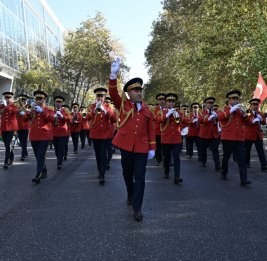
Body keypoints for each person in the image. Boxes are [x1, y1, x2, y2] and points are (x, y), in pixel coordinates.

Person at [109, 57, 155, 222]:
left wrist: (152, 147)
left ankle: (138, 208)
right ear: (129, 93)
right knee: (127, 174)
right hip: (126, 146)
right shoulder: (123, 105)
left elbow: (150, 128)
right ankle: (130, 192)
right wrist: (113, 76)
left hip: (142, 148)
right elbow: (113, 93)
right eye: (136, 91)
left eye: (140, 90)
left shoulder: (147, 108)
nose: (139, 93)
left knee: (140, 177)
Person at [217, 90, 251, 186]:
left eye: (237, 99)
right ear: (229, 100)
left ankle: (243, 179)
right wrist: (231, 110)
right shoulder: (225, 110)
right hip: (228, 138)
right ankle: (224, 172)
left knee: (241, 159)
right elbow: (219, 117)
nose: (236, 100)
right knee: (226, 157)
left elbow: (248, 123)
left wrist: (245, 115)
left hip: (239, 138)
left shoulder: (240, 111)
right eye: (233, 99)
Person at [24, 90, 54, 184]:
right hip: (34, 135)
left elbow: (52, 119)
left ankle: (38, 175)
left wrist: (42, 111)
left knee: (40, 155)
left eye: (40, 98)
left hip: (44, 135)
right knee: (38, 155)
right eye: (37, 98)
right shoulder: (32, 109)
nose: (38, 100)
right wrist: (28, 112)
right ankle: (44, 169)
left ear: (44, 99)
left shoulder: (49, 109)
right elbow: (25, 119)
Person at [87, 89, 116, 184]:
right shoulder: (91, 107)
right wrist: (94, 111)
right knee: (98, 154)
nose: (100, 97)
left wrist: (105, 110)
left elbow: (114, 119)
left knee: (103, 154)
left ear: (104, 97)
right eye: (98, 96)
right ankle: (100, 170)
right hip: (95, 134)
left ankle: (102, 175)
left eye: (102, 96)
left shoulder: (109, 107)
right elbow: (86, 118)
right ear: (96, 96)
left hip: (106, 134)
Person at [156, 93, 187, 183]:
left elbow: (178, 123)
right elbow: (158, 121)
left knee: (176, 157)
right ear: (166, 103)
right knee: (166, 157)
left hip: (176, 138)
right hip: (166, 138)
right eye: (169, 102)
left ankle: (177, 176)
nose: (171, 104)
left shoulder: (177, 112)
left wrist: (176, 116)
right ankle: (166, 171)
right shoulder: (162, 112)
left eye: (173, 102)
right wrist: (167, 115)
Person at [244, 98, 267, 171]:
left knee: (261, 150)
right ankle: (246, 163)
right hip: (249, 134)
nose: (256, 106)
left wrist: (261, 119)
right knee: (247, 150)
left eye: (257, 104)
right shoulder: (247, 113)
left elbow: (264, 123)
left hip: (258, 135)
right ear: (251, 105)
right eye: (254, 104)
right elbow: (245, 122)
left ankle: (264, 165)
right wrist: (252, 121)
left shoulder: (260, 113)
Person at [198, 97, 221, 170]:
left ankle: (217, 165)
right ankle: (203, 161)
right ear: (206, 104)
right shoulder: (201, 112)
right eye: (209, 103)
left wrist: (216, 116)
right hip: (204, 134)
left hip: (214, 134)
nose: (211, 105)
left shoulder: (216, 112)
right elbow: (201, 120)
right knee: (203, 149)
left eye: (212, 103)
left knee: (215, 149)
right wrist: (210, 117)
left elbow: (221, 119)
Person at [0, 91, 18, 169]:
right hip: (3, 127)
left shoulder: (14, 105)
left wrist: (7, 106)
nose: (7, 99)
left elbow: (15, 111)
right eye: (6, 97)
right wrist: (2, 105)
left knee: (7, 144)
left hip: (11, 128)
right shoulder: (2, 106)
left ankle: (6, 162)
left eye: (9, 97)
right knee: (7, 144)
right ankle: (12, 156)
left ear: (11, 98)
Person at [52, 96, 70, 170]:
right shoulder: (51, 110)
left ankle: (59, 162)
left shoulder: (65, 111)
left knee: (61, 147)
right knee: (56, 148)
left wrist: (62, 116)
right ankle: (59, 158)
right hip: (54, 132)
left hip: (63, 132)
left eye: (60, 102)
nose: (58, 103)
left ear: (62, 103)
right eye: (57, 102)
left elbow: (69, 120)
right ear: (55, 102)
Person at [16, 94, 30, 161]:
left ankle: (23, 155)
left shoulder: (28, 106)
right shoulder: (17, 107)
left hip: (25, 126)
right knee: (21, 141)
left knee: (24, 141)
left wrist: (25, 113)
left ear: (26, 100)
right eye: (22, 100)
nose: (23, 101)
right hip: (18, 126)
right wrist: (18, 111)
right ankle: (25, 151)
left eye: (24, 100)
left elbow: (29, 117)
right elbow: (14, 115)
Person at [154, 93, 166, 165]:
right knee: (158, 147)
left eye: (163, 100)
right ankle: (159, 160)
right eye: (160, 100)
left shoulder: (168, 109)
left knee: (165, 147)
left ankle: (167, 160)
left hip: (166, 131)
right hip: (157, 130)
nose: (162, 101)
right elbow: (154, 118)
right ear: (158, 101)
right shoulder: (155, 109)